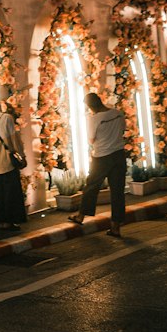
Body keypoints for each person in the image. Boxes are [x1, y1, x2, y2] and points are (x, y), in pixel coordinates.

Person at [69, 91, 127, 237]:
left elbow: (91, 139)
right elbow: (122, 130)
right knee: (118, 192)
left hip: (101, 157)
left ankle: (81, 216)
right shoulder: (118, 113)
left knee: (91, 186)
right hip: (119, 155)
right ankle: (115, 227)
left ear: (90, 106)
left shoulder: (94, 119)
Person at [0, 98, 27, 230]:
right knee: (11, 192)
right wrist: (21, 155)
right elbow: (14, 139)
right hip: (6, 160)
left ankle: (2, 221)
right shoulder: (6, 118)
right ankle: (12, 221)